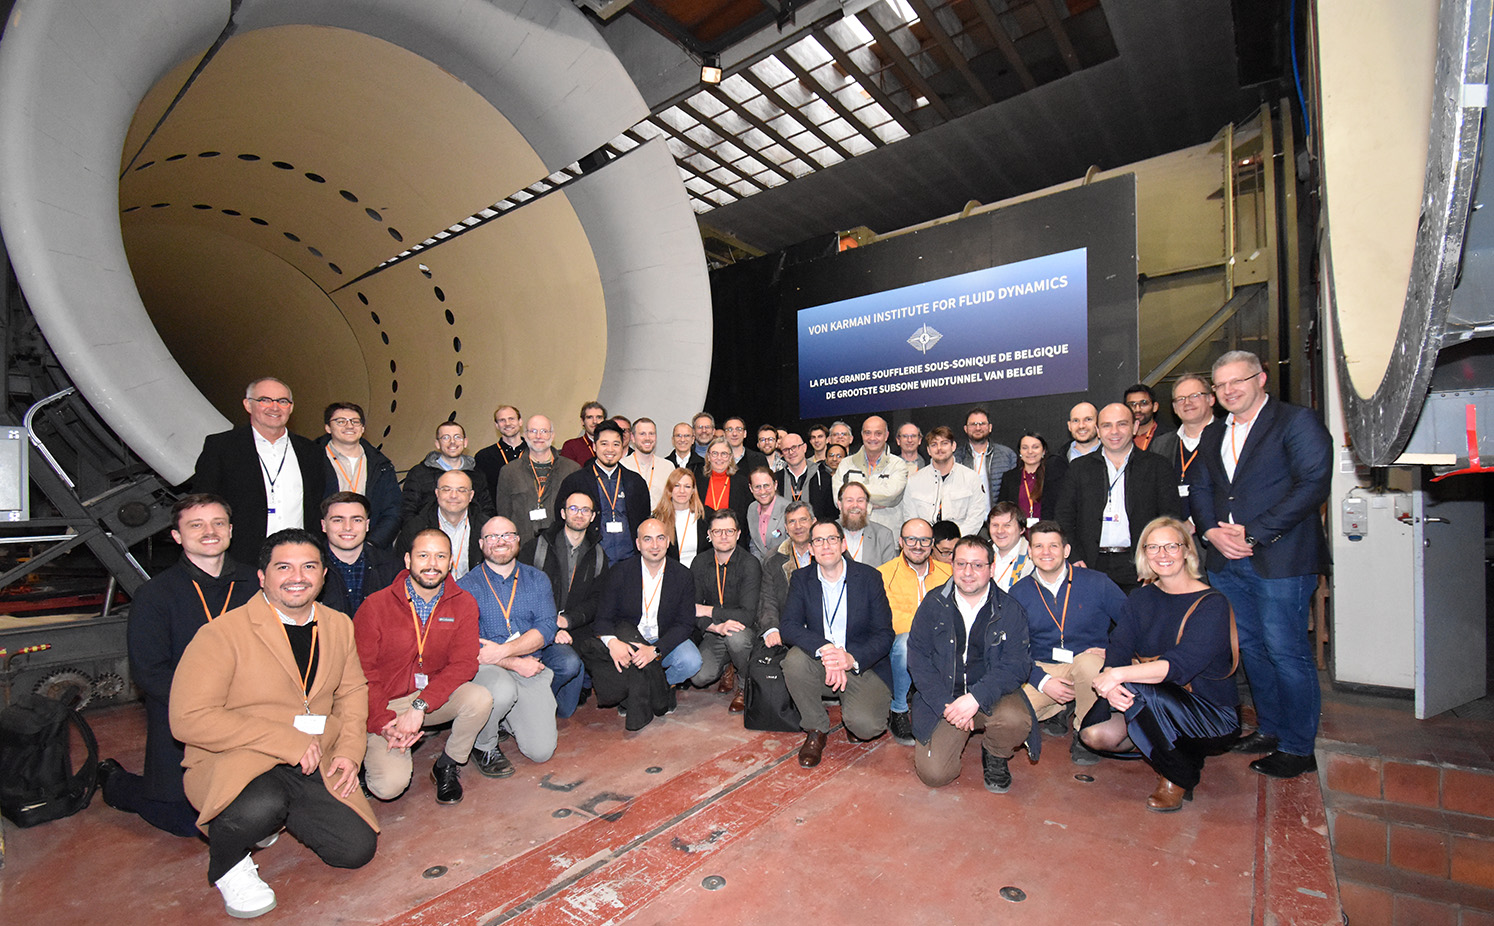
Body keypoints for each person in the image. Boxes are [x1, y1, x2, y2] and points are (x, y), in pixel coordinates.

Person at [170, 529, 377, 919]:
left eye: (309, 566)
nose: (297, 576)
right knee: (260, 804)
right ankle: (230, 863)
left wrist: (350, 751)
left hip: (312, 756)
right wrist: (285, 740)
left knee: (354, 850)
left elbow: (352, 692)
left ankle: (271, 816)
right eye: (283, 567)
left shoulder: (338, 625)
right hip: (238, 756)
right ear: (262, 576)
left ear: (323, 574)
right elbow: (188, 719)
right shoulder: (220, 634)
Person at [1191, 350, 1332, 779]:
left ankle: (1298, 746)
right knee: (1251, 647)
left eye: (1239, 381)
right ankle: (1270, 729)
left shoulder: (1295, 422)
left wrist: (1252, 534)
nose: (1230, 390)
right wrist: (1210, 531)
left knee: (1286, 650)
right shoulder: (1215, 433)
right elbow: (1200, 486)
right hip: (1226, 560)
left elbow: (1313, 484)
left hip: (1280, 558)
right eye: (1221, 385)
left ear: (1261, 379)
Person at [100, 494, 260, 837]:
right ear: (177, 536)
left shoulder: (257, 584)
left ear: (231, 530)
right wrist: (209, 704)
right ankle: (117, 782)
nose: (209, 531)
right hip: (186, 714)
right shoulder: (155, 594)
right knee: (188, 825)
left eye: (218, 523)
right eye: (196, 525)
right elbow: (149, 671)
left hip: (253, 708)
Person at [1080, 517, 1241, 811]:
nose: (1162, 554)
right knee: (1093, 734)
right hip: (1151, 696)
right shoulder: (1141, 597)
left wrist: (1118, 676)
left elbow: (1181, 665)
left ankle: (1177, 774)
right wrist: (1111, 685)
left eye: (1171, 546)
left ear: (1188, 552)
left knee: (1136, 688)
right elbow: (1119, 648)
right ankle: (1176, 749)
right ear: (1144, 555)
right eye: (1153, 547)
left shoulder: (1211, 603)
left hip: (1208, 710)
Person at [355, 529, 491, 805]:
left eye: (440, 556)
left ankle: (447, 764)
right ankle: (370, 751)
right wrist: (382, 723)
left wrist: (420, 706)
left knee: (480, 698)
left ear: (451, 562)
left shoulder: (464, 603)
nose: (432, 564)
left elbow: (464, 664)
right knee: (388, 787)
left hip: (429, 699)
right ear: (407, 560)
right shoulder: (375, 605)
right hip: (385, 706)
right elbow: (362, 673)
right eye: (423, 555)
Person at [907, 535, 1040, 794]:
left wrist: (976, 698)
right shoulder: (933, 604)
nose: (968, 572)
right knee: (935, 775)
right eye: (961, 564)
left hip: (991, 695)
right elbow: (918, 659)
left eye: (978, 565)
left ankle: (995, 754)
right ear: (952, 566)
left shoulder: (1010, 609)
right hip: (946, 699)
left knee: (1016, 721)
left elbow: (1017, 665)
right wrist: (945, 705)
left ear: (991, 569)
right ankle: (953, 731)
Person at [1007, 520, 1126, 765]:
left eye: (1053, 546)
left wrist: (1112, 649)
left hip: (1088, 661)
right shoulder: (1019, 593)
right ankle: (1059, 707)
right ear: (1029, 552)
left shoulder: (1097, 582)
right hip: (1046, 665)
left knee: (1089, 666)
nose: (1046, 552)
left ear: (1066, 550)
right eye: (1038, 546)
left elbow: (1132, 622)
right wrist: (1042, 681)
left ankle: (1084, 730)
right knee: (1013, 717)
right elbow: (1012, 650)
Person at [780, 520, 895, 767]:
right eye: (818, 540)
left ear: (843, 544)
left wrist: (851, 659)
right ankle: (816, 729)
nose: (825, 546)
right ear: (810, 548)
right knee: (795, 661)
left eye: (832, 539)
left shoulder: (869, 578)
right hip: (821, 661)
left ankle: (854, 711)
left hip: (861, 665)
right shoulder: (801, 578)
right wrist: (826, 650)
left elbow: (884, 634)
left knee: (867, 727)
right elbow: (788, 626)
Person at [458, 516, 560, 779]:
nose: (500, 542)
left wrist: (505, 651)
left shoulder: (537, 579)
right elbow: (471, 645)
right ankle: (484, 745)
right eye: (492, 537)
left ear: (517, 540)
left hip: (528, 665)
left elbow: (547, 629)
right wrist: (513, 661)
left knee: (541, 751)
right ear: (481, 544)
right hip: (488, 668)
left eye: (507, 535)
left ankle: (504, 718)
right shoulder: (465, 587)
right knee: (501, 690)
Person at [576, 519, 702, 730]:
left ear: (668, 541)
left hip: (662, 639)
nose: (654, 545)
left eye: (660, 538)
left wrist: (656, 650)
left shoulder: (683, 575)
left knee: (691, 661)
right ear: (637, 544)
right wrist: (612, 643)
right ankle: (651, 690)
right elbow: (603, 618)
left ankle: (655, 687)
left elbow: (685, 623)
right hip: (630, 639)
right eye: (648, 539)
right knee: (616, 653)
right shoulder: (620, 572)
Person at [191, 377, 324, 564]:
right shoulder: (221, 447)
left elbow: (317, 503)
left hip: (298, 556)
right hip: (240, 557)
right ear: (248, 405)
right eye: (265, 400)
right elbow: (203, 502)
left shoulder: (311, 451)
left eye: (282, 401)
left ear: (291, 408)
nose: (275, 407)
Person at [1054, 403, 1182, 592]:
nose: (1114, 431)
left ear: (1135, 427)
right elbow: (1063, 516)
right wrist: (1074, 557)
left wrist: (1155, 560)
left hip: (1141, 566)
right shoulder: (1079, 468)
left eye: (1122, 424)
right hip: (1090, 565)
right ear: (1098, 430)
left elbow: (1170, 517)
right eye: (1106, 425)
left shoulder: (1157, 466)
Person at [521, 490, 609, 718]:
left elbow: (597, 600)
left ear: (592, 517)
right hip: (535, 626)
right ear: (562, 513)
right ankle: (526, 706)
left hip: (575, 629)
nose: (579, 514)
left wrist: (568, 620)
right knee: (569, 665)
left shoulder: (599, 554)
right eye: (573, 509)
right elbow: (521, 594)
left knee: (566, 710)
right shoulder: (536, 548)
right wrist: (551, 624)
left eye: (585, 510)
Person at [876, 517, 952, 747]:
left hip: (942, 641)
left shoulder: (949, 573)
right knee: (906, 643)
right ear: (900, 542)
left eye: (924, 540)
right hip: (901, 643)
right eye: (911, 539)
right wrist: (924, 631)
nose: (917, 545)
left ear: (932, 543)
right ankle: (898, 708)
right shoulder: (883, 574)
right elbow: (887, 618)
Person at [689, 508, 762, 711]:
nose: (723, 536)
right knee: (699, 677)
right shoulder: (700, 562)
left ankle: (744, 682)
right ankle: (727, 665)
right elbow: (693, 610)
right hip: (714, 631)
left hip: (743, 630)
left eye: (729, 531)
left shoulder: (750, 564)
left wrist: (709, 611)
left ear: (738, 534)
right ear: (709, 535)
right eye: (717, 531)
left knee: (735, 637)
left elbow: (748, 615)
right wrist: (714, 627)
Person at [552, 420, 651, 566]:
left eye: (616, 444)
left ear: (623, 446)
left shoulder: (636, 482)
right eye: (604, 444)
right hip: (590, 563)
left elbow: (644, 519)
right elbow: (560, 519)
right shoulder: (576, 481)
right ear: (594, 446)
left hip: (629, 562)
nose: (610, 449)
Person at [318, 403, 400, 549]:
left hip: (371, 547)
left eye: (355, 422)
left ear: (362, 428)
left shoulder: (381, 465)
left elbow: (393, 510)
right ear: (328, 428)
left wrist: (372, 544)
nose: (349, 426)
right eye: (341, 421)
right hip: (324, 548)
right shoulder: (311, 460)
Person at [494, 414, 581, 549]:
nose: (538, 436)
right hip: (523, 546)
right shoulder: (509, 471)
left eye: (544, 431)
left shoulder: (571, 469)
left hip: (561, 545)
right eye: (533, 431)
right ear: (525, 435)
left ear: (552, 435)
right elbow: (504, 513)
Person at [1148, 374, 1217, 526]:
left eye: (1194, 396)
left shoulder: (1226, 438)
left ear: (1211, 399)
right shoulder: (1160, 445)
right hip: (1170, 538)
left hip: (1213, 538)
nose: (1187, 403)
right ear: (1174, 407)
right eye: (1180, 399)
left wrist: (1193, 523)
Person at [318, 492, 399, 617]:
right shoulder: (310, 568)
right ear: (324, 526)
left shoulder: (392, 567)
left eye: (356, 520)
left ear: (367, 525)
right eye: (338, 520)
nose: (348, 527)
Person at [398, 421, 494, 525]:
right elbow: (407, 510)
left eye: (457, 437)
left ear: (465, 442)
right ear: (437, 444)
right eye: (445, 437)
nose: (452, 442)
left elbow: (487, 509)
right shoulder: (419, 473)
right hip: (429, 537)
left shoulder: (477, 474)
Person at [900, 425, 988, 536]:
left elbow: (975, 518)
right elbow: (910, 518)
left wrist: (955, 541)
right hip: (925, 545)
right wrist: (927, 541)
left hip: (960, 543)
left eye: (944, 443)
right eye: (934, 445)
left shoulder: (971, 478)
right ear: (928, 450)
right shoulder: (914, 481)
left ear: (953, 446)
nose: (939, 448)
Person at [397, 470, 485, 580]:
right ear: (437, 493)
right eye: (446, 489)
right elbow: (400, 573)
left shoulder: (486, 529)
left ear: (471, 495)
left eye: (461, 490)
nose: (453, 495)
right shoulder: (414, 529)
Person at [833, 415, 908, 533]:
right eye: (867, 433)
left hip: (887, 536)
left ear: (886, 436)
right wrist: (872, 504)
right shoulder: (845, 464)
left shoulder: (898, 465)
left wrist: (853, 497)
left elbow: (891, 495)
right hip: (852, 534)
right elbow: (838, 498)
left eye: (878, 433)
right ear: (862, 434)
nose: (872, 438)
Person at [759, 501, 817, 650]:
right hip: (789, 631)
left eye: (803, 520)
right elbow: (768, 600)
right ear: (786, 528)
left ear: (814, 522)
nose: (798, 526)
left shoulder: (830, 552)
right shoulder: (773, 559)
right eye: (792, 521)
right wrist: (772, 629)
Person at [998, 430, 1068, 527]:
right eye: (1025, 448)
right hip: (1018, 535)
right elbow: (1003, 510)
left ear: (1043, 451)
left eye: (1035, 447)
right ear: (1020, 452)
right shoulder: (1009, 478)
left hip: (1047, 533)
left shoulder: (1053, 477)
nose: (1030, 452)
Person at [952, 407, 1018, 504]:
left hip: (998, 517)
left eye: (982, 424)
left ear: (990, 427)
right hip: (967, 517)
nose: (978, 428)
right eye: (973, 424)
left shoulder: (1007, 455)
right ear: (965, 429)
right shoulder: (955, 458)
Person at [776, 429, 837, 521]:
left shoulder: (823, 477)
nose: (791, 452)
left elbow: (831, 513)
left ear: (804, 448)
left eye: (794, 447)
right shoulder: (776, 480)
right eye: (786, 450)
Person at [653, 468, 710, 566]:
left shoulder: (705, 515)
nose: (682, 491)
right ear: (669, 489)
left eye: (687, 486)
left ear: (693, 490)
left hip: (700, 575)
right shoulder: (658, 519)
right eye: (677, 486)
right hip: (671, 575)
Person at [838, 480, 897, 566]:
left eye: (860, 501)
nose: (855, 505)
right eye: (849, 500)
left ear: (867, 505)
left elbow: (889, 574)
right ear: (840, 505)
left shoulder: (883, 536)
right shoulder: (827, 533)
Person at [473, 404, 525, 501]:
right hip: (498, 513)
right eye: (502, 420)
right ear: (496, 425)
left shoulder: (535, 452)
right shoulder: (484, 457)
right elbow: (481, 493)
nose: (507, 423)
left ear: (520, 422)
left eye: (511, 419)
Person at [621, 417, 672, 510]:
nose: (647, 438)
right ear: (633, 437)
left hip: (660, 522)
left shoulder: (668, 467)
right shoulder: (622, 466)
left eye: (651, 434)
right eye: (642, 434)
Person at [699, 437, 751, 526]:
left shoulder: (742, 483)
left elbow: (745, 519)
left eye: (724, 454)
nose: (719, 458)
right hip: (704, 536)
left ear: (730, 457)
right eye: (715, 453)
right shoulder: (698, 482)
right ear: (708, 457)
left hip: (733, 536)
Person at [985, 502, 1035, 592]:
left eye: (1007, 525)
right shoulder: (982, 554)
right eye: (995, 525)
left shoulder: (1034, 558)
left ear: (1022, 529)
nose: (1000, 531)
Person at [745, 466, 786, 561]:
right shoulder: (752, 508)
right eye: (757, 487)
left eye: (766, 486)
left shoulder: (788, 510)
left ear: (775, 485)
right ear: (751, 488)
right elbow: (754, 544)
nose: (762, 491)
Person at [559, 400, 607, 466]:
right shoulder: (571, 446)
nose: (595, 421)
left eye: (599, 417)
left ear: (605, 421)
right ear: (582, 421)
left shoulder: (613, 446)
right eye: (590, 417)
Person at [1125, 383, 1165, 451]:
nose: (1137, 409)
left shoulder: (1169, 438)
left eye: (1143, 403)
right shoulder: (1119, 437)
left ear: (1155, 407)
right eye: (1132, 404)